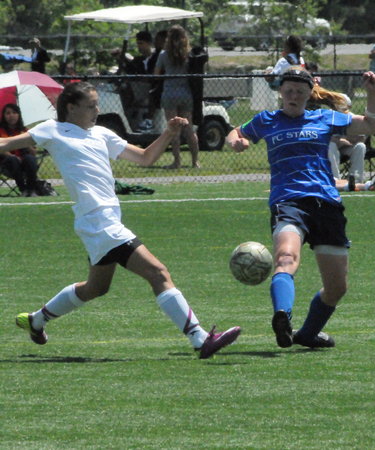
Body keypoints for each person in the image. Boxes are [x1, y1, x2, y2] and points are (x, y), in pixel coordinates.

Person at [2, 82, 240, 358]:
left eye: (97, 105)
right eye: (91, 106)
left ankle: (36, 320)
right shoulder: (51, 130)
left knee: (96, 288)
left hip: (102, 222)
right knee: (158, 273)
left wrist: (168, 133)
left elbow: (145, 158)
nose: (97, 111)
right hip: (99, 222)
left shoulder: (102, 133)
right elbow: (7, 143)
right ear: (71, 107)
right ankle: (200, 338)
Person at [225, 68, 375, 349]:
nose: (293, 96)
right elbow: (236, 131)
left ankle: (307, 334)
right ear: (280, 92)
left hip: (326, 204)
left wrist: (373, 92)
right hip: (288, 202)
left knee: (337, 288)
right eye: (288, 91)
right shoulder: (266, 120)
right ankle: (282, 316)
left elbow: (370, 125)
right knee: (285, 258)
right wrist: (236, 141)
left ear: (309, 94)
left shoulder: (324, 118)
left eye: (299, 91)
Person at [154, 25, 200, 169]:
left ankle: (177, 161)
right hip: (186, 93)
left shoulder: (163, 54)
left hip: (169, 94)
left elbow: (156, 74)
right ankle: (195, 161)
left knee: (174, 129)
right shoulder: (189, 54)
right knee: (189, 129)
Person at [0, 104, 39, 196]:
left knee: (30, 158)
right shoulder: (1, 131)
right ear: (4, 116)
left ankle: (31, 189)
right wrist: (13, 156)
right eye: (8, 113)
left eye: (14, 112)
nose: (11, 115)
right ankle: (23, 189)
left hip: (25, 164)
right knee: (13, 159)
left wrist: (24, 140)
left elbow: (34, 153)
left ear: (19, 115)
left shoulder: (25, 131)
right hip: (7, 164)